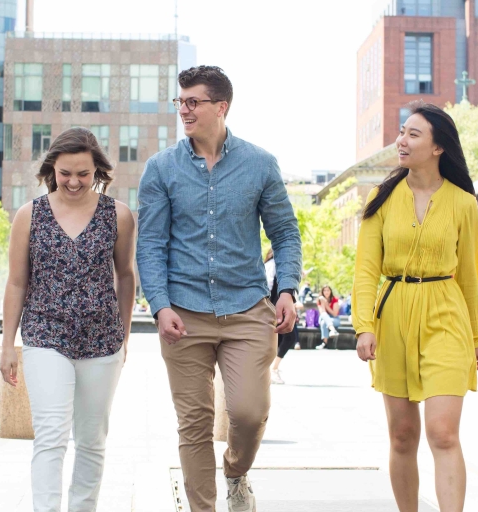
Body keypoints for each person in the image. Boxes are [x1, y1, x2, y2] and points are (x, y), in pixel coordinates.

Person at [136, 65, 302, 512]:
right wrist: (159, 306)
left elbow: (285, 233)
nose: (183, 110)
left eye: (193, 101)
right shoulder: (161, 168)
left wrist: (287, 289)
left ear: (221, 106)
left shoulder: (260, 164)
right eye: (180, 101)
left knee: (248, 412)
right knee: (193, 423)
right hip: (183, 313)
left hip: (247, 308)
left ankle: (236, 472)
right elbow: (150, 243)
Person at [353, 101, 478, 512]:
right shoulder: (381, 198)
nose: (402, 140)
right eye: (402, 132)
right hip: (393, 315)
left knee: (443, 433)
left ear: (438, 147)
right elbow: (365, 270)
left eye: (413, 134)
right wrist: (364, 326)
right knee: (402, 436)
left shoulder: (463, 203)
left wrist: (477, 336)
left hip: (446, 315)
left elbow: (470, 275)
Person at [0, 127, 136, 511]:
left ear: (97, 172)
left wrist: (124, 337)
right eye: (65, 173)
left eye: (83, 174)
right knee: (51, 435)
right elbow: (16, 282)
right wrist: (7, 344)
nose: (74, 182)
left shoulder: (118, 215)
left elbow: (126, 276)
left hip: (103, 341)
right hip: (45, 336)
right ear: (51, 170)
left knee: (91, 440)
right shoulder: (29, 215)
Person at [265, 249, 298, 386]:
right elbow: (268, 286)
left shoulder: (276, 266)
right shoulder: (272, 265)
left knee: (282, 338)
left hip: (278, 307)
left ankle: (272, 369)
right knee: (287, 337)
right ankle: (273, 369)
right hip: (275, 307)